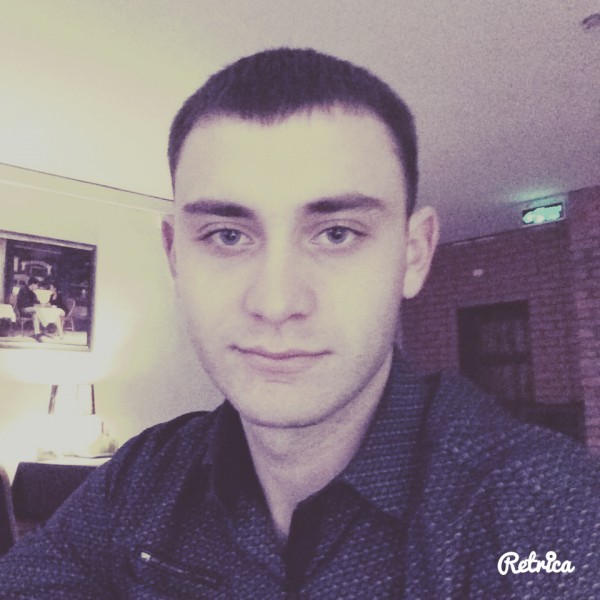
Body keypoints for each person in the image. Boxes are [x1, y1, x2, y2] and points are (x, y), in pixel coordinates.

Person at [1, 48, 599, 598]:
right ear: (175, 255)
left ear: (413, 255)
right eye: (227, 236)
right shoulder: (140, 480)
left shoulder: (547, 512)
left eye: (337, 234)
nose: (276, 302)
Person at [15, 277, 42, 341]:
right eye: (36, 285)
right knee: (36, 309)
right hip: (22, 310)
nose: (37, 287)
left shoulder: (32, 293)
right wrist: (32, 305)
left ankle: (37, 334)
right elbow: (21, 302)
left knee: (35, 314)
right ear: (32, 284)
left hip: (30, 310)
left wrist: (41, 304)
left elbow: (37, 302)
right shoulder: (23, 289)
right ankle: (45, 324)